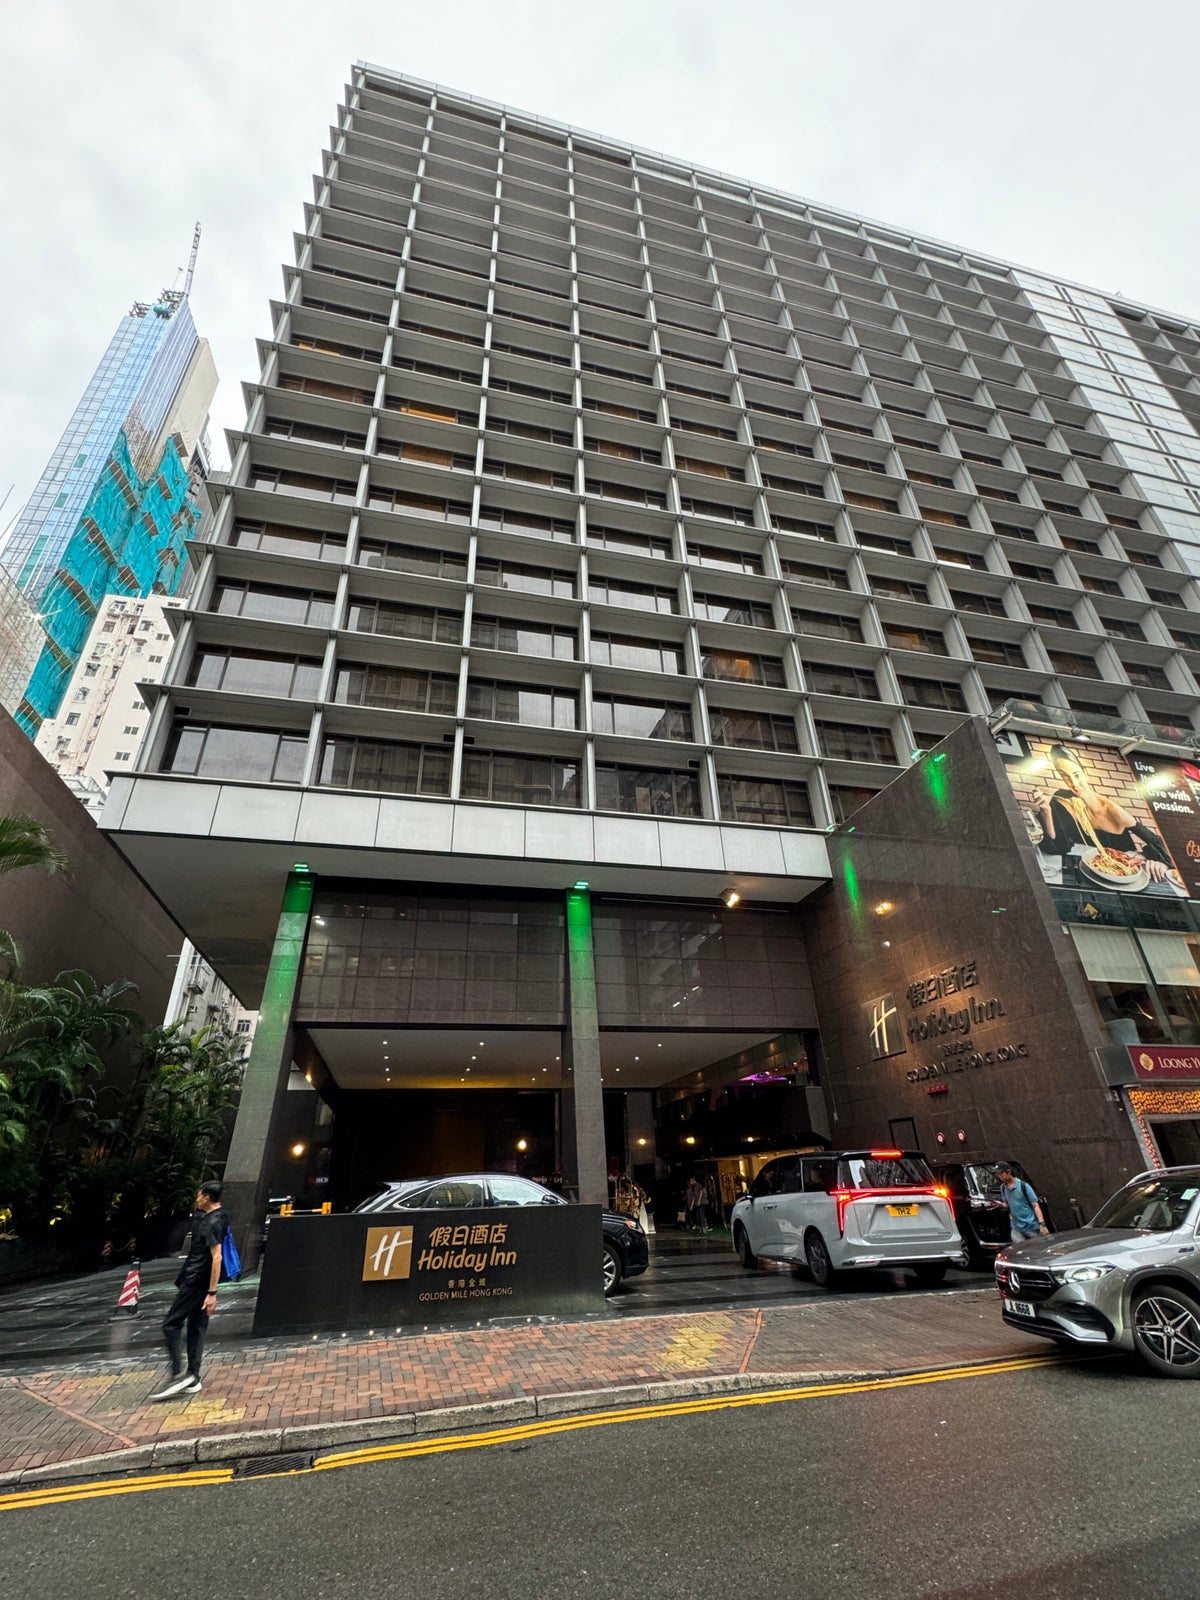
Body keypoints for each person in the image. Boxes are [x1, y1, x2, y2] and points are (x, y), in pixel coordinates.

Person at [1029, 745, 1176, 882]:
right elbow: (1056, 847)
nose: (1073, 783)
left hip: (1123, 878)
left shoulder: (1112, 809)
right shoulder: (1060, 800)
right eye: (1065, 775)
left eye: (1077, 775)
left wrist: (1162, 863)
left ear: (1086, 774)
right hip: (1082, 874)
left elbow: (1160, 844)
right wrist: (1046, 812)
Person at [150, 1181, 226, 1401]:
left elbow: (217, 1256)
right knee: (196, 1327)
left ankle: (177, 1374)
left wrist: (212, 1293)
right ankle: (193, 1376)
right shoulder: (218, 1217)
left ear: (207, 1197)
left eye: (199, 1195)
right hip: (198, 1280)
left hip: (196, 1281)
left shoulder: (212, 1221)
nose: (196, 1199)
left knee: (171, 1323)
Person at [996, 1162, 1048, 1244]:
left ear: (1008, 1172)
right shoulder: (1003, 1188)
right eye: (997, 1174)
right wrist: (1001, 1204)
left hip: (1030, 1226)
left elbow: (1035, 1205)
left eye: (1001, 1173)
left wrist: (1042, 1224)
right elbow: (1007, 1205)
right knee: (1020, 1250)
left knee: (1038, 1248)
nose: (999, 1176)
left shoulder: (1023, 1186)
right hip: (1016, 1228)